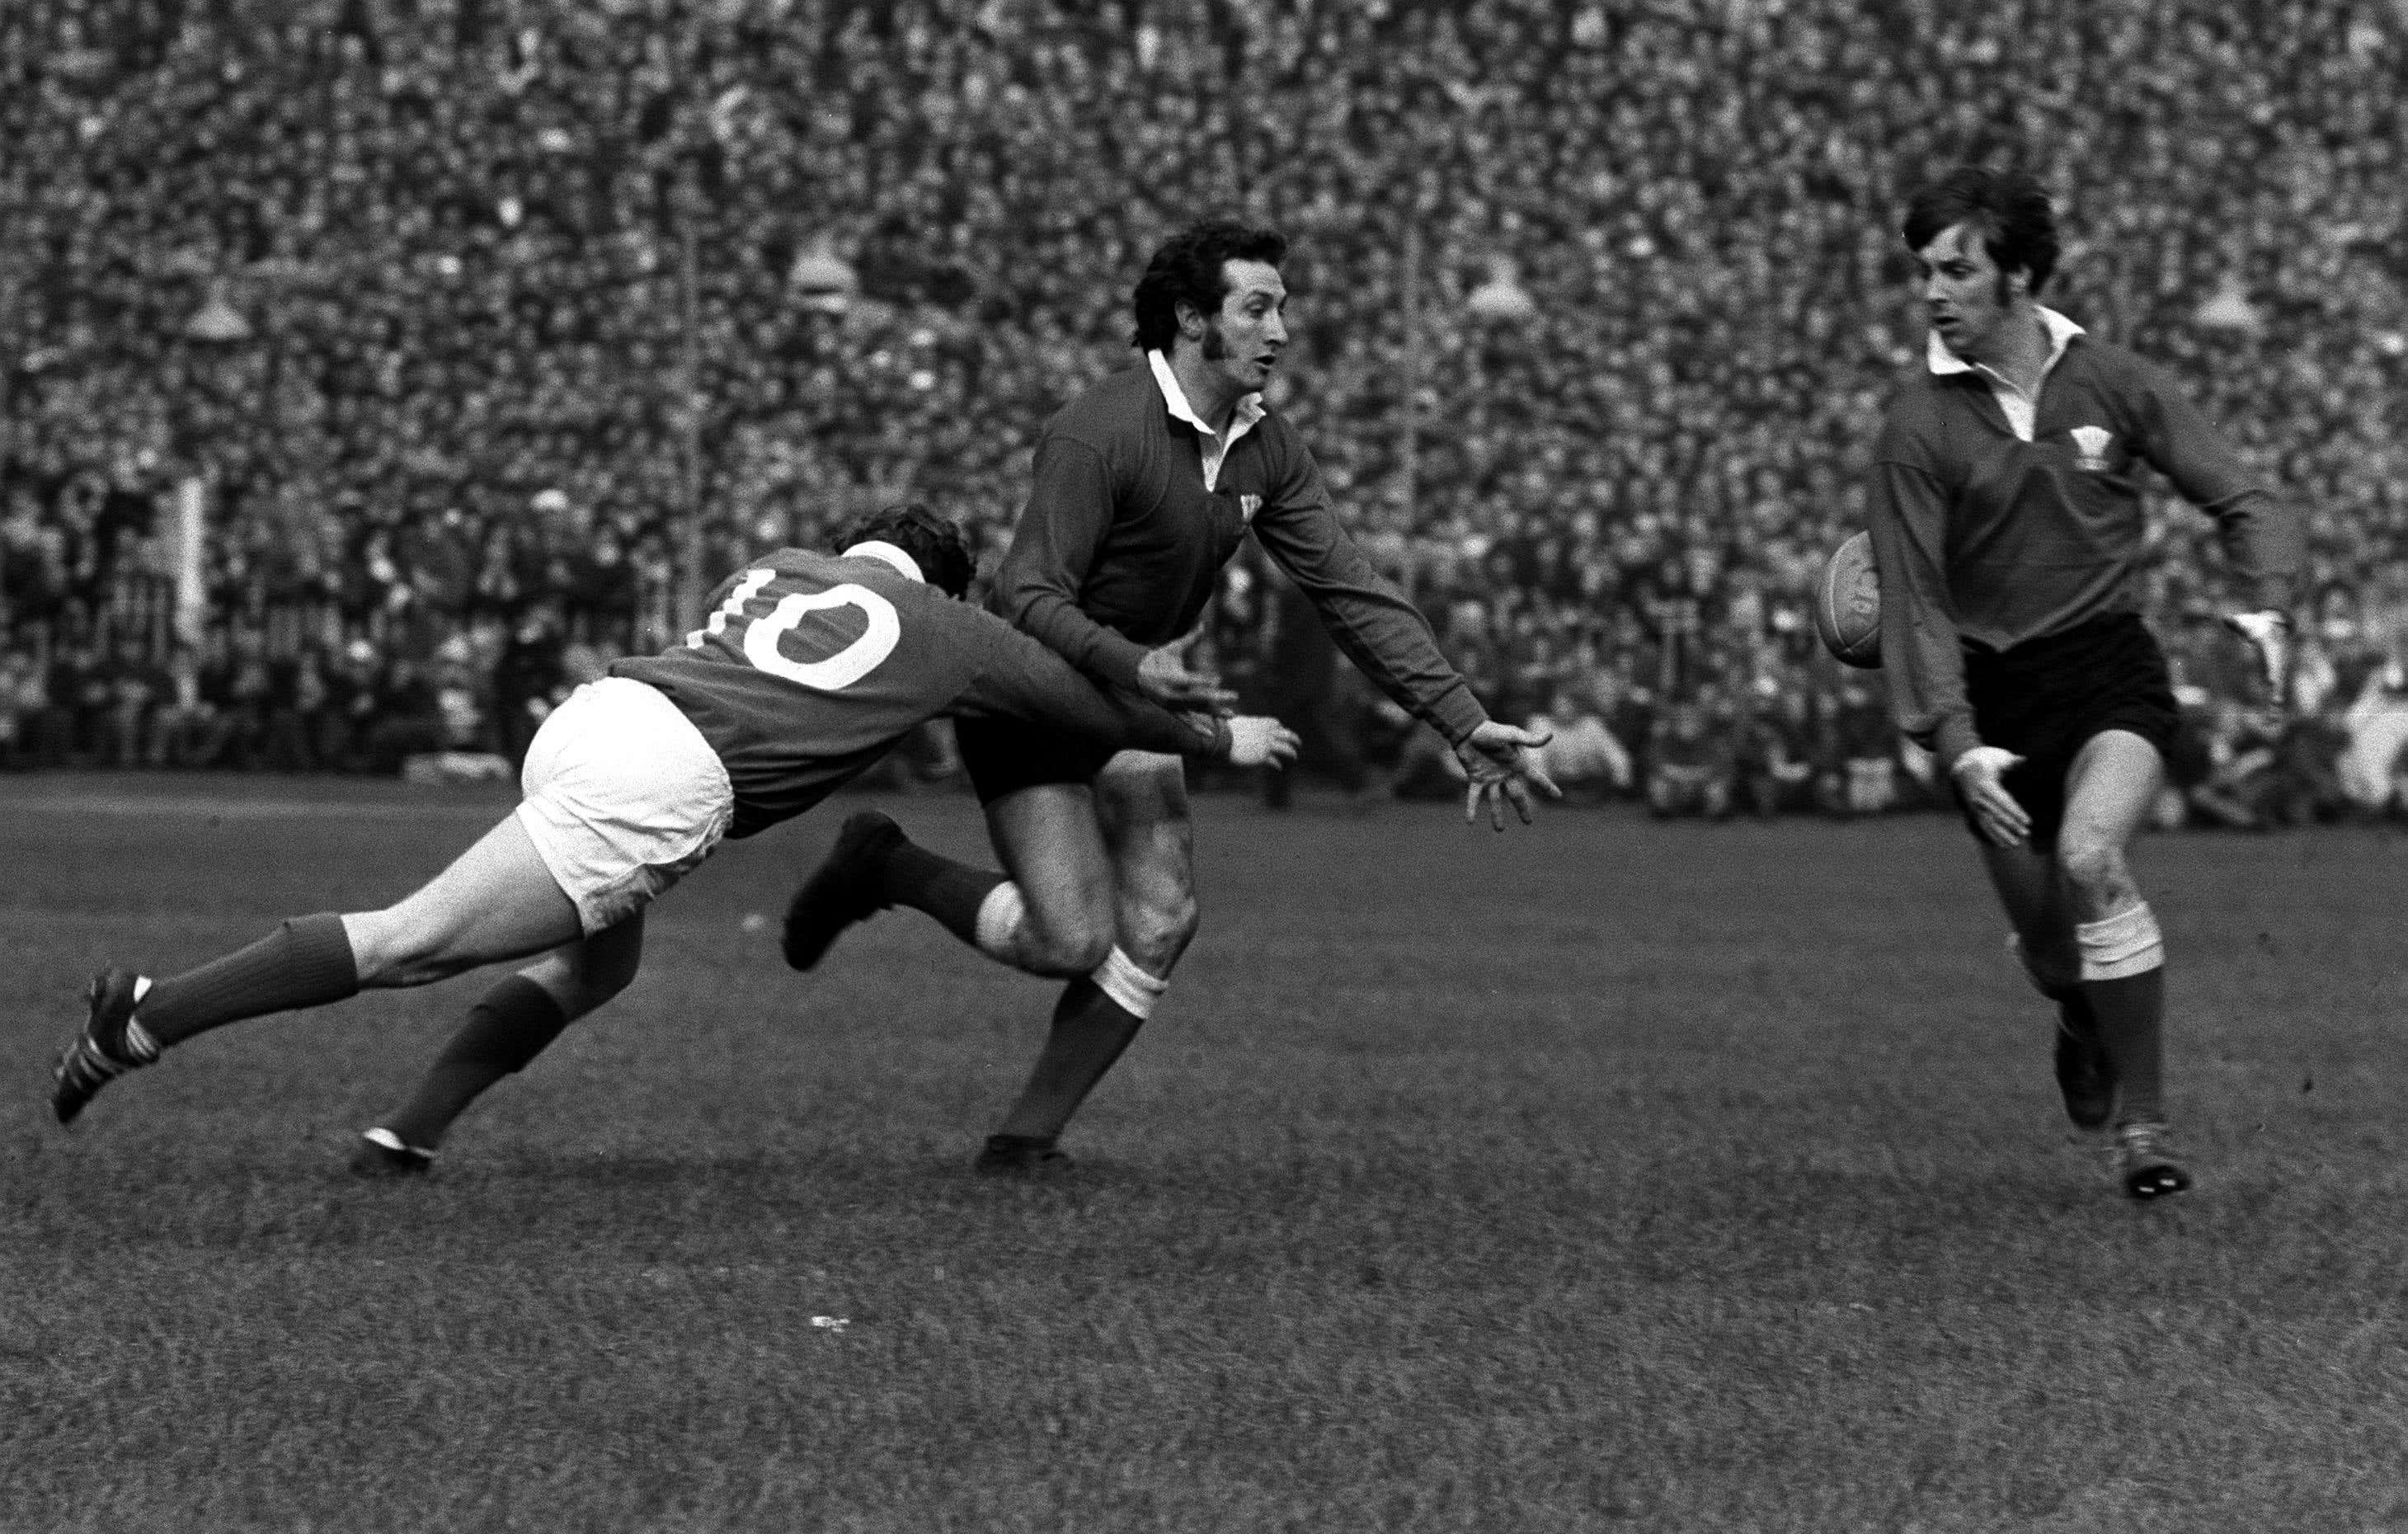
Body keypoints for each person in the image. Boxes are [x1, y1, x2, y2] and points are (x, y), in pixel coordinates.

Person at [49, 505, 1300, 1172]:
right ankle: (148, 1012)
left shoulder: (781, 560)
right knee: (414, 940)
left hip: (600, 714)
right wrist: (1217, 741)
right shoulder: (948, 625)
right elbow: (1083, 703)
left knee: (603, 961)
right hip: (664, 781)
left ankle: (409, 1134)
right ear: (946, 582)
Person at [778, 220, 1559, 1178]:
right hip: (1030, 697)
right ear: (1192, 320)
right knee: (1069, 941)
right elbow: (1026, 593)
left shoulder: (1265, 447)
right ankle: (883, 865)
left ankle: (1023, 1144)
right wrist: (1135, 666)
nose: (1280, 331)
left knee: (1163, 915)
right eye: (1257, 308)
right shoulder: (1097, 431)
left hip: (1129, 699)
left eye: (1282, 309)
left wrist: (1463, 720)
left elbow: (1350, 593)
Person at [1867, 166, 2299, 1201]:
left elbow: (2242, 495)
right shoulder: (1915, 425)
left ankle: (2143, 1133)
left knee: (2093, 855)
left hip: (2107, 670)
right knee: (2058, 956)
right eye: (1922, 272)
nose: (1931, 292)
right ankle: (2075, 1013)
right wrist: (1956, 740)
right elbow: (1915, 599)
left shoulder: (2116, 381)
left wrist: (2265, 602)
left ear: (2017, 275)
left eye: (1956, 270)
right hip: (1989, 701)